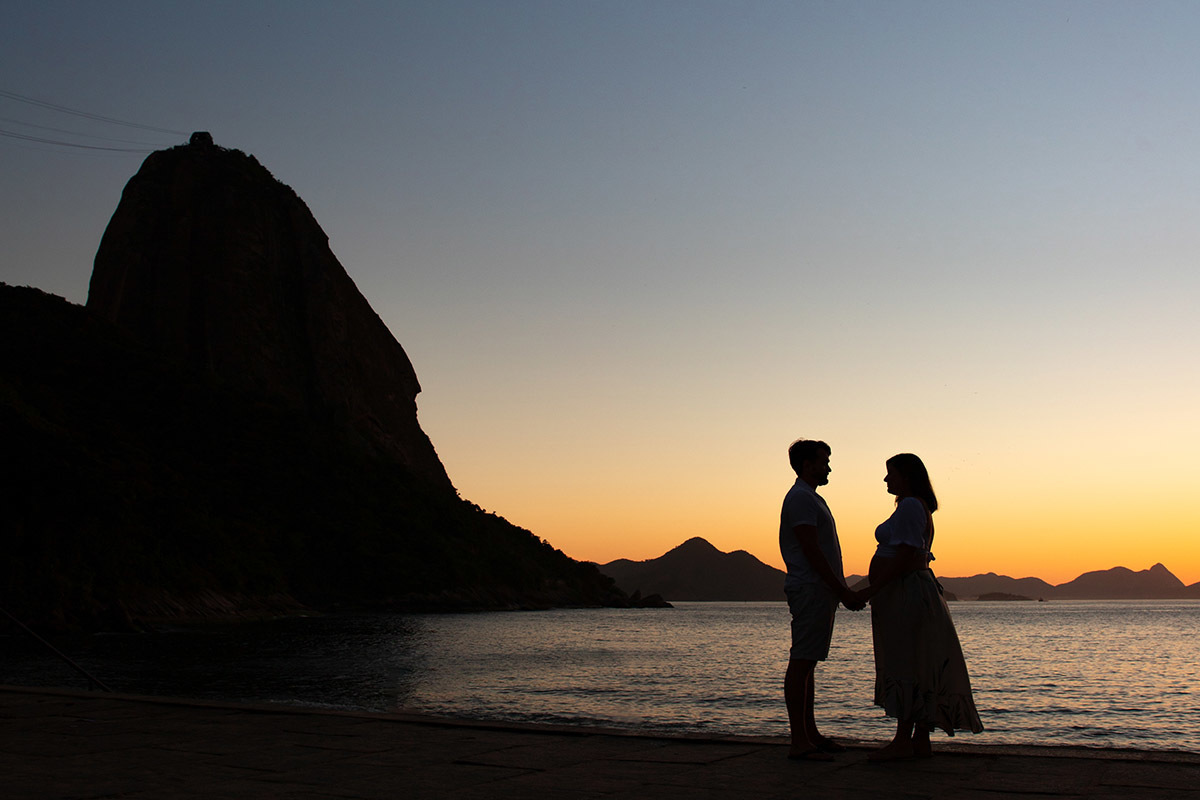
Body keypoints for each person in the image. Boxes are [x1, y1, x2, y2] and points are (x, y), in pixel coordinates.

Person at [855, 453, 983, 761]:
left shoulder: (911, 506)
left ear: (907, 477)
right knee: (919, 661)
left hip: (906, 592)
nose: (886, 480)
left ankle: (903, 740)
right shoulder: (912, 507)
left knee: (906, 661)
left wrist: (872, 588)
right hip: (910, 590)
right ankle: (920, 739)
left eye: (891, 474)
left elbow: (907, 555)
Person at [779, 438, 863, 761]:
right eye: (823, 460)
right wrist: (842, 591)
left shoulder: (811, 499)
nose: (828, 466)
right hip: (810, 589)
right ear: (807, 465)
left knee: (809, 661)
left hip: (819, 590)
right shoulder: (801, 499)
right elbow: (812, 551)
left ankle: (809, 733)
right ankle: (799, 739)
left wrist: (838, 590)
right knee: (801, 661)